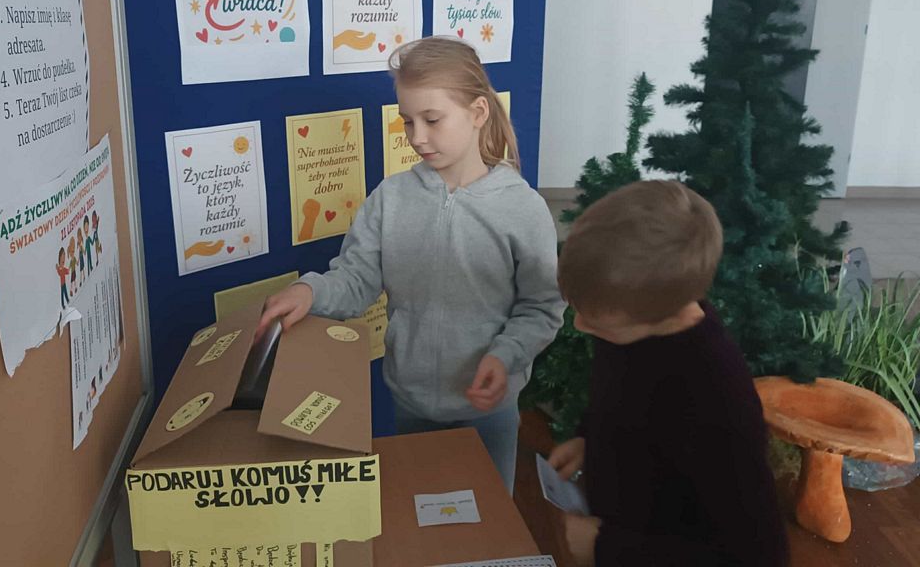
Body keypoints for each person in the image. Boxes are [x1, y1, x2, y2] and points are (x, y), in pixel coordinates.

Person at [257, 36, 564, 492]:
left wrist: (506, 356)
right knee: (420, 509)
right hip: (410, 400)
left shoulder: (522, 208)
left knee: (487, 519)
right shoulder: (391, 198)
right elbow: (356, 279)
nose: (417, 137)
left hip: (489, 408)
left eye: (432, 120)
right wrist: (311, 291)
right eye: (407, 120)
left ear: (478, 112)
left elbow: (541, 307)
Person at [548, 181, 788, 566]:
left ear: (660, 314)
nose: (580, 325)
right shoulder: (634, 318)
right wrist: (589, 437)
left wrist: (604, 546)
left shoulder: (716, 396)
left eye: (598, 323)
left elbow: (756, 556)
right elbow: (618, 394)